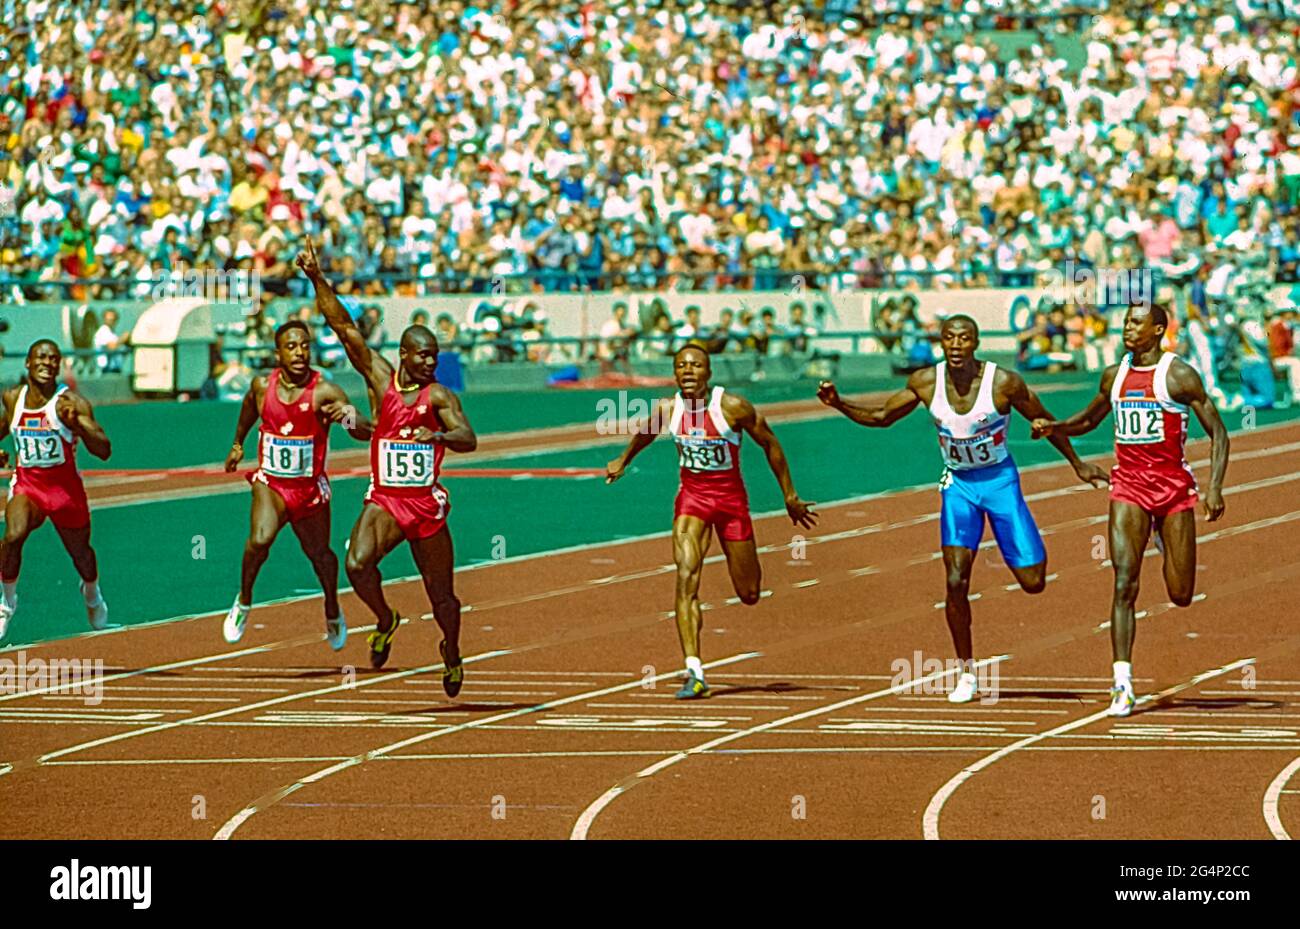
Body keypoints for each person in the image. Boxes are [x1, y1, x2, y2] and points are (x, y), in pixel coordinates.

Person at [817, 315, 1108, 703]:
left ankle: (1016, 544)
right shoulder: (924, 382)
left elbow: (1044, 420)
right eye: (949, 338)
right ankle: (966, 673)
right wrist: (838, 403)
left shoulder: (1004, 383)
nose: (956, 345)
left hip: (1000, 483)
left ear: (976, 343)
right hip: (959, 486)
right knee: (955, 580)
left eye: (964, 338)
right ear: (941, 343)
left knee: (1033, 581)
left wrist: (1077, 463)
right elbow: (881, 417)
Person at [297, 238, 478, 696]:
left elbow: (469, 438)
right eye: (424, 356)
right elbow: (341, 326)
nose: (431, 362)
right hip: (386, 499)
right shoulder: (379, 379)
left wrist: (437, 436)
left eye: (435, 356)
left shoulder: (439, 396)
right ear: (403, 354)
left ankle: (451, 650)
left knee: (443, 598)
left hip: (425, 505)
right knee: (357, 565)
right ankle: (385, 617)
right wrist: (318, 278)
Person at [1032, 303, 1229, 716]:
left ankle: (1162, 534)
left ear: (1158, 330)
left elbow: (1219, 433)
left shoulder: (1178, 375)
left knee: (1181, 594)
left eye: (1136, 323)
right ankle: (1121, 682)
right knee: (1124, 581)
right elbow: (1089, 421)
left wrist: (1213, 488)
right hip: (1129, 487)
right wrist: (1056, 427)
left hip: (1174, 490)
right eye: (1125, 321)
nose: (1127, 328)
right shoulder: (1114, 375)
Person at [605, 344, 816, 699]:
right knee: (685, 576)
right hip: (692, 500)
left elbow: (770, 443)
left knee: (749, 593)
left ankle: (704, 655)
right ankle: (695, 670)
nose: (688, 371)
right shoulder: (667, 409)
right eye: (681, 366)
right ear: (674, 373)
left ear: (709, 372)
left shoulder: (733, 408)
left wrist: (790, 496)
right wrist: (623, 459)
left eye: (695, 365)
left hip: (731, 502)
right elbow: (646, 433)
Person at [221, 319, 374, 649]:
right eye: (291, 346)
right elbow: (249, 408)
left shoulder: (324, 391)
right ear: (278, 354)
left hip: (308, 490)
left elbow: (364, 430)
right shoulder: (263, 386)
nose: (300, 352)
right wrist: (237, 443)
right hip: (272, 483)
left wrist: (345, 416)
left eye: (305, 345)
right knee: (260, 539)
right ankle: (244, 601)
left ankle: (332, 607)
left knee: (320, 556)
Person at [0, 340, 113, 640]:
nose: (47, 363)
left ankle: (91, 592)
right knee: (13, 534)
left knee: (82, 556)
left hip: (65, 493)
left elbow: (104, 450)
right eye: (40, 357)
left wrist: (79, 425)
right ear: (27, 362)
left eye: (53, 359)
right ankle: (6, 602)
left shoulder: (70, 404)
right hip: (28, 487)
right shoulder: (13, 399)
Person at [93, 308, 129, 374]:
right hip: (107, 370)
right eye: (108, 319)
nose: (110, 321)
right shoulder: (103, 331)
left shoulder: (112, 333)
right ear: (104, 319)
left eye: (112, 319)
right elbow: (111, 347)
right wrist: (123, 338)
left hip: (115, 369)